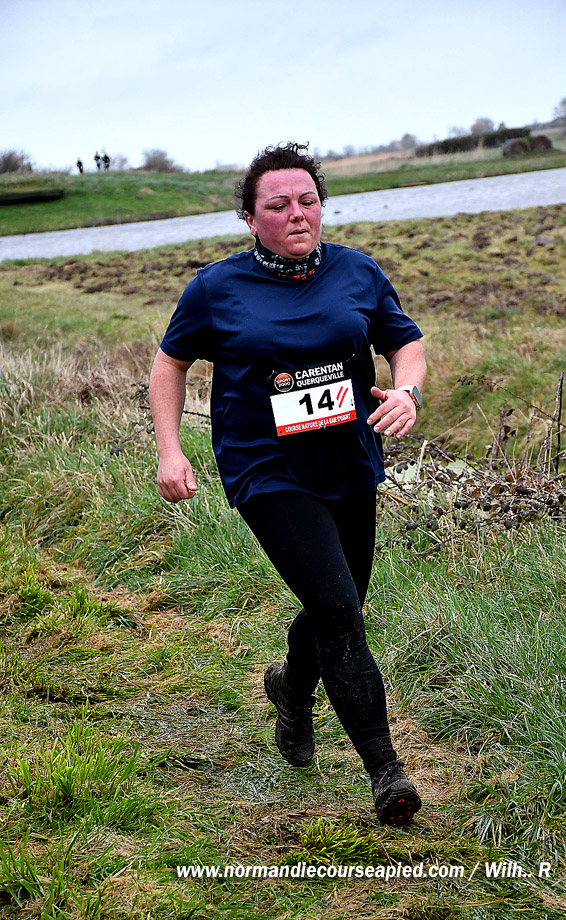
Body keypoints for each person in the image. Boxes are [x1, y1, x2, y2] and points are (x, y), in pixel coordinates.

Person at [149, 143, 427, 826]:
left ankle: (291, 685)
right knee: (339, 612)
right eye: (278, 204)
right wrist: (169, 451)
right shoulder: (215, 288)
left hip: (348, 462)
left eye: (308, 200)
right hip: (265, 467)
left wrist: (408, 391)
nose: (297, 213)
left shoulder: (357, 271)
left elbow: (404, 342)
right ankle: (385, 770)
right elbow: (170, 363)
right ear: (250, 218)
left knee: (340, 603)